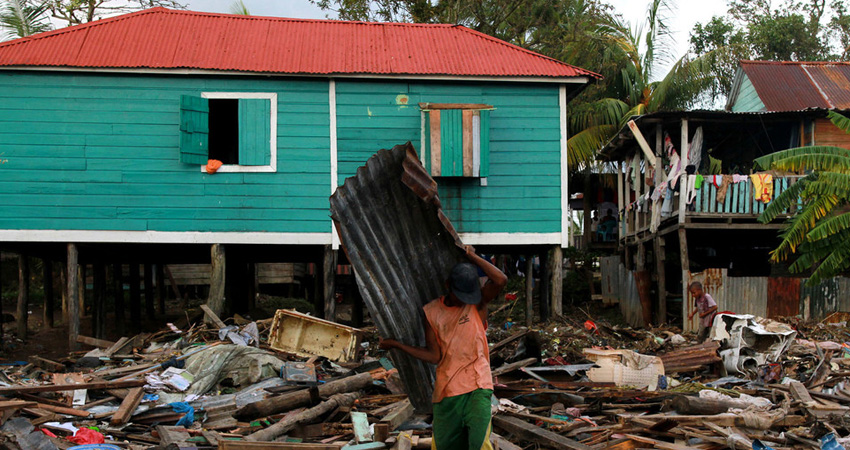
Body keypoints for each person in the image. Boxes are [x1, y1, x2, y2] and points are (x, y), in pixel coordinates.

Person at [379, 245, 507, 450]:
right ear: (448, 286)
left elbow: (500, 280)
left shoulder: (478, 303)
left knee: (479, 444)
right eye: (460, 295)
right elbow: (433, 355)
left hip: (478, 385)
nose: (464, 300)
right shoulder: (432, 312)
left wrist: (472, 256)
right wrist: (397, 345)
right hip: (448, 390)